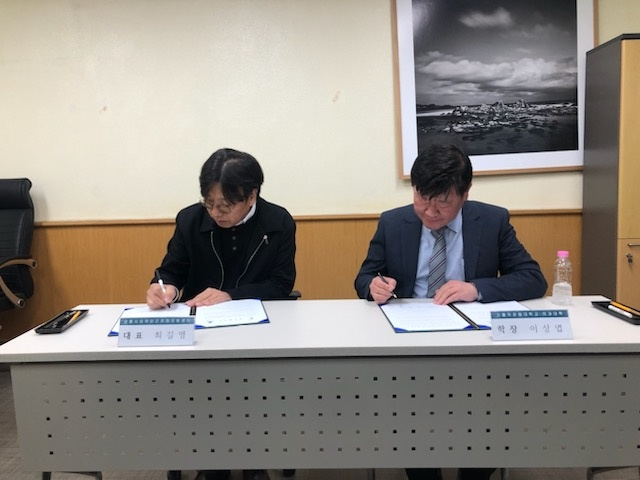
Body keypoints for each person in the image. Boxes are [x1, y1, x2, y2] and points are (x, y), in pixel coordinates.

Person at [354, 144, 547, 480]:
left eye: (442, 201)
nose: (430, 211)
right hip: (410, 342)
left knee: (486, 413)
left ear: (465, 193)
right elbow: (364, 277)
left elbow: (533, 278)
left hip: (473, 344)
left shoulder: (492, 220)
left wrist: (476, 289)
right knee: (412, 416)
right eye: (422, 198)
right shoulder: (393, 222)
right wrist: (374, 285)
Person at [148, 147, 296, 480]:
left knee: (255, 389)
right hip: (202, 332)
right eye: (209, 203)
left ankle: (254, 462)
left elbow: (281, 284)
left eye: (226, 205)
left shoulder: (277, 222)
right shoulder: (190, 220)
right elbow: (171, 270)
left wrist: (230, 295)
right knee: (204, 392)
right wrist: (164, 287)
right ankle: (213, 463)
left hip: (258, 328)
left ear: (252, 195)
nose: (216, 213)